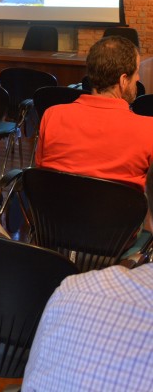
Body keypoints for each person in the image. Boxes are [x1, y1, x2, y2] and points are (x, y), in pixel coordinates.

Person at [22, 164, 153, 391]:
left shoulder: (69, 291)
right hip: (113, 244)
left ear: (149, 215)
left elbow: (41, 167)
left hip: (53, 238)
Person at [36, 35, 153, 190]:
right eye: (136, 72)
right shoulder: (148, 130)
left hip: (56, 212)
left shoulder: (52, 116)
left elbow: (41, 175)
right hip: (121, 213)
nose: (138, 78)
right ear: (123, 80)